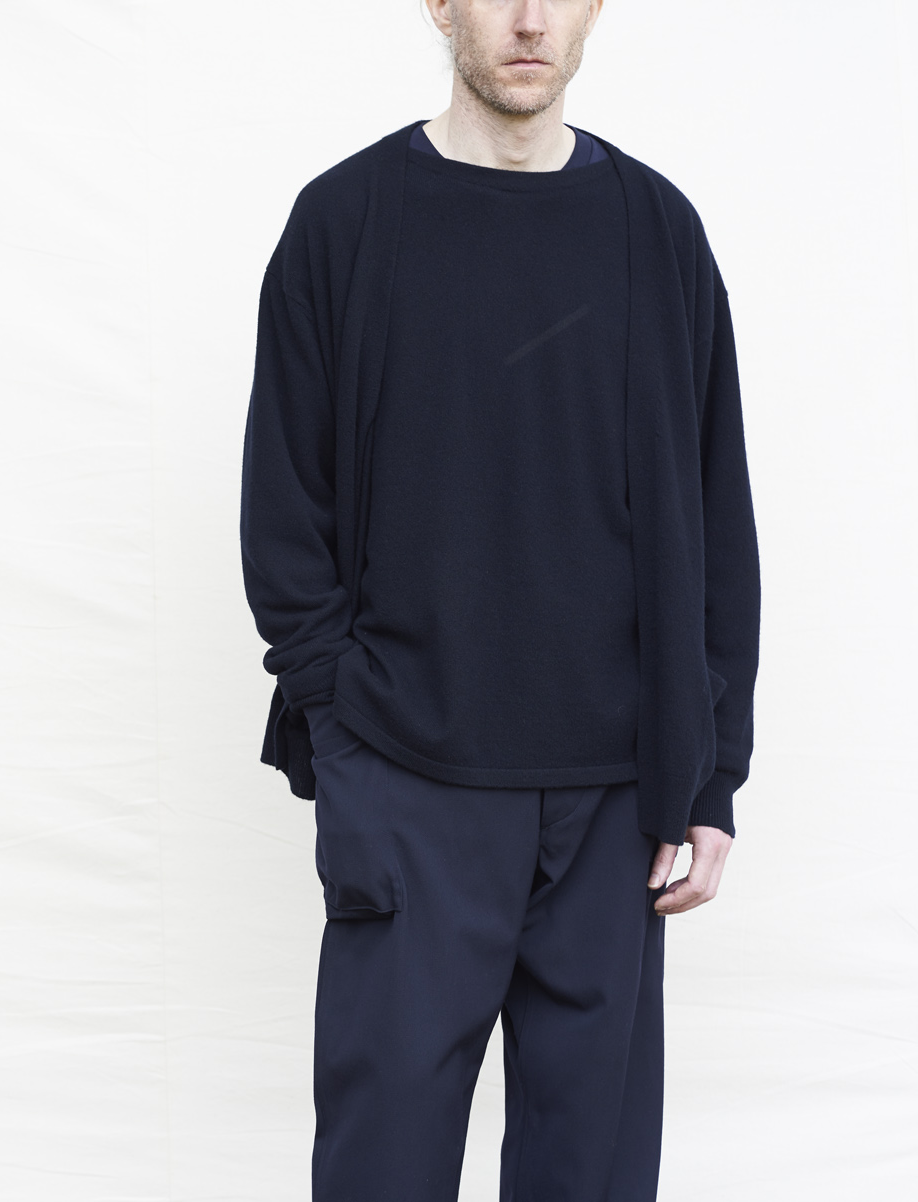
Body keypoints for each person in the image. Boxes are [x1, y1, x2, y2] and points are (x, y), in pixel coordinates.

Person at [238, 1, 759, 1198]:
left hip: (618, 805)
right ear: (439, 4)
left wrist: (711, 773)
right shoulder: (344, 224)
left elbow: (717, 516)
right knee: (381, 1172)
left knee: (593, 1179)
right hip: (409, 780)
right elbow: (284, 515)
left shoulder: (657, 232)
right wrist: (345, 736)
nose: (529, 20)